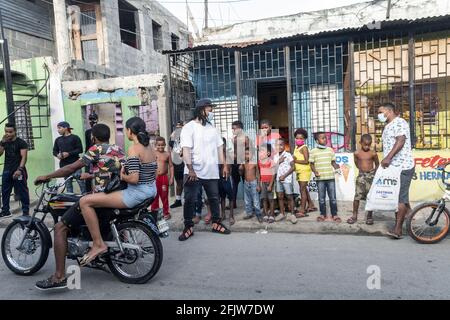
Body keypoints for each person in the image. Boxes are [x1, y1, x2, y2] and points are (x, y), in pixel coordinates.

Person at [34, 123, 125, 290]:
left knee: (60, 227)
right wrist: (90, 174)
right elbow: (109, 170)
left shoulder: (95, 149)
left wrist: (47, 176)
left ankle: (59, 276)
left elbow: (70, 168)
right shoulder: (118, 149)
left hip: (100, 197)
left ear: (93, 137)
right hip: (115, 195)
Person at [76, 117, 157, 265]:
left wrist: (122, 176)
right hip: (151, 190)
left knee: (85, 201)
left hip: (135, 193)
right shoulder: (150, 147)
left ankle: (98, 244)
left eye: (126, 130)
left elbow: (134, 179)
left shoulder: (134, 149)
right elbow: (153, 173)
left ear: (129, 131)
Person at [178, 98, 231, 241]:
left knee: (214, 198)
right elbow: (186, 150)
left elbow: (220, 148)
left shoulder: (212, 128)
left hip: (211, 171)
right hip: (193, 172)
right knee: (190, 199)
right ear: (201, 109)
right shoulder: (189, 127)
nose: (211, 111)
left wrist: (224, 165)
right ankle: (188, 227)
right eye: (209, 109)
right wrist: (190, 169)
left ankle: (216, 223)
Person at [378, 103, 415, 239]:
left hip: (403, 166)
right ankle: (410, 213)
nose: (379, 115)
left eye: (381, 112)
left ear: (389, 111)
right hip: (394, 167)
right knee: (399, 196)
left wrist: (388, 157)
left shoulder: (399, 122)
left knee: (400, 197)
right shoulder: (388, 125)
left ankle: (398, 229)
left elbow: (400, 141)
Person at [347, 134, 379, 225]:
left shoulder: (373, 153)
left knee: (370, 197)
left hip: (371, 176)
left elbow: (377, 164)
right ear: (360, 143)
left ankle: (369, 216)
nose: (367, 146)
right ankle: (354, 215)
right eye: (365, 144)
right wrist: (362, 171)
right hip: (361, 176)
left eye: (369, 145)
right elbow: (356, 163)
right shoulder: (357, 153)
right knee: (357, 196)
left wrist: (374, 174)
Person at [310, 132, 341, 223]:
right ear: (317, 141)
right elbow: (311, 164)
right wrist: (315, 172)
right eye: (322, 138)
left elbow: (333, 162)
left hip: (330, 177)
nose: (325, 139)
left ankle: (334, 214)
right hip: (320, 179)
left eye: (325, 138)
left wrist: (337, 167)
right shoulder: (313, 151)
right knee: (322, 198)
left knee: (333, 198)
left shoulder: (330, 150)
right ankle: (322, 214)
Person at [0, 123, 30, 218]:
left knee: (22, 191)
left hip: (18, 169)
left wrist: (20, 169)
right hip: (7, 170)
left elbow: (24, 157)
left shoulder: (21, 142)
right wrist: (2, 142)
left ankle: (25, 211)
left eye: (10, 132)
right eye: (6, 131)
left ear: (15, 131)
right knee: (5, 191)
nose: (8, 133)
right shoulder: (5, 141)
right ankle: (6, 211)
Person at [53, 121, 85, 194]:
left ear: (66, 128)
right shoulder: (58, 140)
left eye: (59, 128)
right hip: (64, 166)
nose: (58, 130)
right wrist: (57, 155)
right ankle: (70, 201)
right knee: (68, 185)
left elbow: (80, 150)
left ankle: (85, 198)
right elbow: (54, 151)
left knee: (81, 183)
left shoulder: (75, 138)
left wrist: (69, 154)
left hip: (76, 165)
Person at [293, 128, 317, 217]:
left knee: (302, 190)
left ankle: (302, 210)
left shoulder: (304, 148)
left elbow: (307, 161)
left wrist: (295, 161)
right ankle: (311, 205)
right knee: (304, 189)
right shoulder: (296, 147)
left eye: (301, 138)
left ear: (304, 139)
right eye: (297, 138)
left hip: (304, 171)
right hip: (299, 171)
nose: (299, 140)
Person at [274, 139, 297, 224]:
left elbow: (293, 167)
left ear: (284, 146)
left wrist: (284, 176)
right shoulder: (275, 156)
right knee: (280, 196)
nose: (279, 147)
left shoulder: (288, 155)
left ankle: (292, 214)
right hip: (278, 180)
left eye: (281, 145)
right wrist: (278, 162)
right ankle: (282, 213)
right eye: (277, 145)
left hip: (286, 179)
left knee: (289, 196)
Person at [151, 136, 174, 220]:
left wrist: (171, 177)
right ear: (155, 145)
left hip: (164, 178)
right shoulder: (153, 153)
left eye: (162, 145)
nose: (160, 147)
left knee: (164, 196)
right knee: (154, 196)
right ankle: (154, 212)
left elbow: (171, 166)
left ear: (165, 145)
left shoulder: (167, 154)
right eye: (158, 145)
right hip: (154, 177)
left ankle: (166, 213)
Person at [240, 148, 262, 223]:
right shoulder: (243, 163)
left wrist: (258, 185)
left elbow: (258, 175)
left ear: (252, 154)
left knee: (256, 200)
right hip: (246, 183)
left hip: (254, 183)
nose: (247, 156)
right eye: (245, 154)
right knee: (247, 200)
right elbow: (241, 174)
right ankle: (249, 213)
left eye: (248, 154)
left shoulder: (254, 163)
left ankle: (258, 214)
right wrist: (240, 169)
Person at [231, 120, 249, 210]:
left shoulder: (245, 138)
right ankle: (233, 203)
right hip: (235, 163)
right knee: (234, 183)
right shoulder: (234, 139)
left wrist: (242, 163)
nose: (233, 130)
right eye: (232, 129)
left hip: (243, 163)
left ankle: (248, 204)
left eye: (235, 129)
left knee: (246, 183)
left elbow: (248, 152)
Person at [258, 144, 276, 223]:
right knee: (264, 199)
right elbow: (259, 174)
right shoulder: (259, 162)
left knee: (271, 199)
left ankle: (272, 215)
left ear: (268, 153)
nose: (260, 153)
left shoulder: (271, 162)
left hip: (270, 183)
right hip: (263, 183)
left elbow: (273, 174)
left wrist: (271, 185)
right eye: (259, 151)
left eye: (262, 151)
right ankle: (265, 214)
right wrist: (260, 184)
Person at [219, 138, 234, 224]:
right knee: (222, 198)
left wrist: (229, 176)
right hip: (220, 179)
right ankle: (223, 214)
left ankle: (231, 215)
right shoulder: (217, 155)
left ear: (225, 145)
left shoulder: (228, 155)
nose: (221, 146)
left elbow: (230, 167)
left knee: (231, 198)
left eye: (223, 144)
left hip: (227, 179)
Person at [169, 121, 185, 209]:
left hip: (185, 162)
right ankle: (178, 200)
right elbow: (170, 148)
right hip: (177, 162)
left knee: (189, 182)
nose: (178, 129)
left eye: (180, 127)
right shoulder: (173, 136)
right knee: (179, 182)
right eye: (177, 127)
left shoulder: (186, 136)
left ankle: (196, 201)